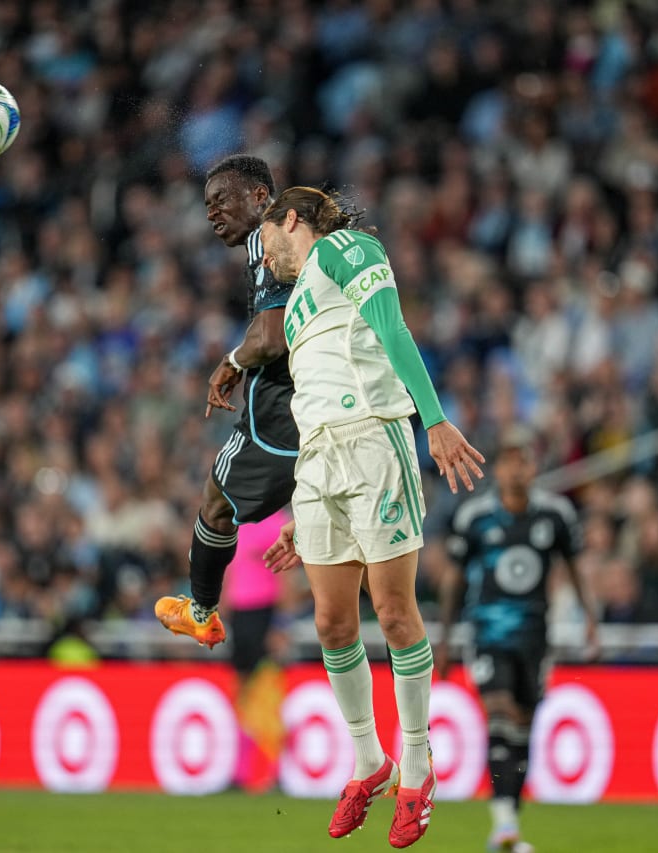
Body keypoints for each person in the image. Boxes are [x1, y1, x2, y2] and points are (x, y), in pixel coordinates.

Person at [260, 187, 485, 848]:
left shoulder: (345, 247)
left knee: (392, 611)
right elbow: (317, 390)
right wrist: (303, 500)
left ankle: (417, 762)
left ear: (291, 218)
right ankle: (370, 760)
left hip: (375, 441)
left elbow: (392, 327)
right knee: (331, 620)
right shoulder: (297, 304)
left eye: (265, 236)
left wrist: (433, 419)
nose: (262, 252)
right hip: (320, 459)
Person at [154, 155, 300, 648]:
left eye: (221, 201)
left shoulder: (269, 238)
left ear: (260, 197)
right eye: (206, 206)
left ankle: (201, 611)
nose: (212, 214)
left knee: (217, 503)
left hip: (282, 416)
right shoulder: (298, 238)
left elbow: (274, 336)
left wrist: (233, 362)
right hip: (330, 410)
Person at [436, 428, 596, 853]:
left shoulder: (555, 515)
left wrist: (591, 620)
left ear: (533, 465)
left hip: (535, 639)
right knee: (501, 716)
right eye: (507, 460)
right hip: (487, 635)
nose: (515, 468)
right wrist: (446, 638)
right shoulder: (475, 517)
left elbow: (575, 567)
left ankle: (507, 822)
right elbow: (453, 577)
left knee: (523, 731)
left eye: (522, 460)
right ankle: (504, 825)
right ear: (498, 467)